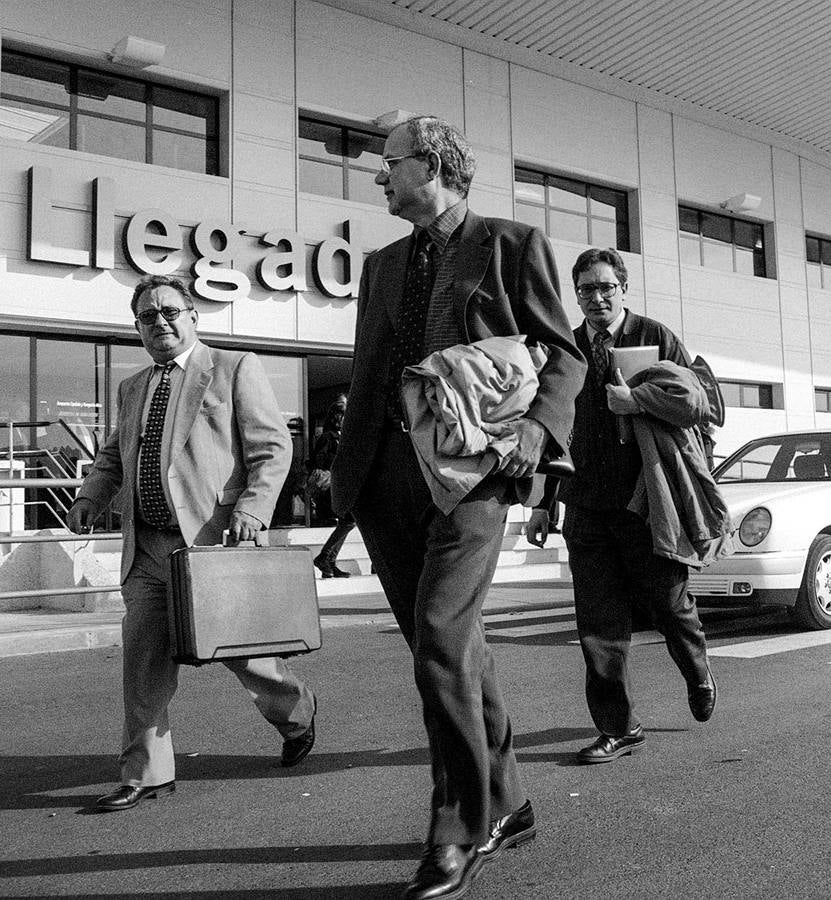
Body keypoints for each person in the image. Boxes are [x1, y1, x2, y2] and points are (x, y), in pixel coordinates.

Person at [329, 115, 583, 900]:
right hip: (387, 481)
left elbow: (563, 355)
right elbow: (370, 375)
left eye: (390, 163)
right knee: (454, 649)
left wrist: (539, 434)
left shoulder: (509, 245)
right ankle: (510, 804)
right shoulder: (380, 266)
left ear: (433, 164)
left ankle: (458, 826)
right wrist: (346, 486)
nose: (379, 176)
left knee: (440, 638)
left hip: (474, 475)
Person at [65, 274, 317, 813]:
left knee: (247, 658)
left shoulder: (232, 368)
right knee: (144, 665)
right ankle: (148, 773)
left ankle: (296, 712)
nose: (161, 322)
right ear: (137, 327)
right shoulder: (132, 387)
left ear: (193, 316)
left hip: (213, 547)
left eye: (171, 311)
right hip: (149, 550)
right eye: (148, 316)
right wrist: (91, 497)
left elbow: (273, 447)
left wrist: (253, 508)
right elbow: (114, 456)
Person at [524, 247, 718, 766]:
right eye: (586, 289)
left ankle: (697, 670)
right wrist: (543, 503)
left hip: (646, 503)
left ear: (623, 289)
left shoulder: (656, 337)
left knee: (670, 603)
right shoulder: (565, 348)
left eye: (606, 287)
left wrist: (640, 402)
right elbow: (550, 429)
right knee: (598, 622)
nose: (596, 297)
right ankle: (618, 726)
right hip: (586, 505)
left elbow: (700, 405)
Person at [308, 395, 353, 578]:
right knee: (349, 520)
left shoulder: (343, 437)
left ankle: (328, 561)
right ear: (337, 417)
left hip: (340, 484)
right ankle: (325, 558)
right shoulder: (328, 437)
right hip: (330, 486)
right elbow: (319, 461)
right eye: (343, 414)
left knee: (348, 521)